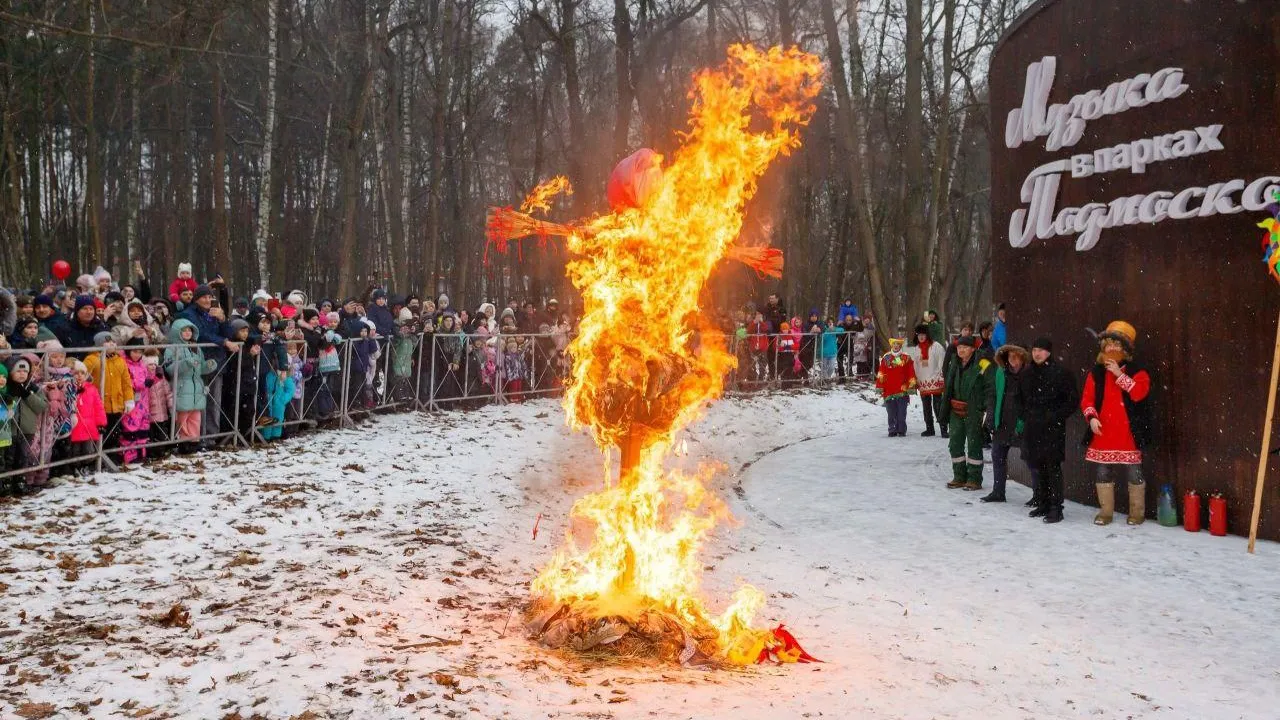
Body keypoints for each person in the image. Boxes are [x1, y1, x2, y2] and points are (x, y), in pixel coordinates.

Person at [1081, 321, 1152, 526]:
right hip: (1104, 432)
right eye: (1108, 345)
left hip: (1129, 432)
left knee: (1135, 473)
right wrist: (1092, 417)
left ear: (1126, 349)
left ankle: (1137, 513)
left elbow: (1139, 394)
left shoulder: (1138, 371)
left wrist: (1120, 375)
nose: (1111, 349)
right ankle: (1105, 513)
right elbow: (1087, 399)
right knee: (1103, 472)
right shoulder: (1096, 373)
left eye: (1117, 345)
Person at [1021, 337, 1078, 523]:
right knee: (1038, 466)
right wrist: (1026, 415)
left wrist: (1055, 417)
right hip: (1033, 428)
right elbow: (1018, 398)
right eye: (1035, 349)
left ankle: (1056, 507)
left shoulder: (1061, 374)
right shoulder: (1027, 373)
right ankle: (1043, 502)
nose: (1037, 353)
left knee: (1052, 467)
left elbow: (1072, 401)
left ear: (1049, 352)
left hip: (1052, 429)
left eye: (1041, 350)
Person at [981, 344, 1028, 503]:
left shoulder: (1028, 375)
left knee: (1032, 460)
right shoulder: (1001, 373)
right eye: (1010, 356)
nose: (1013, 359)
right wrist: (991, 417)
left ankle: (1039, 495)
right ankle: (998, 491)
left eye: (1016, 356)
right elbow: (993, 396)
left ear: (1023, 357)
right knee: (997, 456)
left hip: (1022, 422)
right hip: (1003, 421)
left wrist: (1023, 423)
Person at [942, 336, 989, 490]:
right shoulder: (954, 362)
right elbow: (948, 386)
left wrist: (983, 406)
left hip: (973, 409)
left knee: (974, 443)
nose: (961, 350)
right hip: (956, 408)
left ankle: (974, 478)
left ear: (973, 349)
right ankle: (959, 476)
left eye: (965, 347)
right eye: (959, 347)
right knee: (955, 442)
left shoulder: (983, 363)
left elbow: (989, 386)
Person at [164, 318, 214, 452]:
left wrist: (208, 366)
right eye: (184, 330)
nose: (187, 333)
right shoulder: (172, 349)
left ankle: (194, 441)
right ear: (177, 332)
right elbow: (169, 369)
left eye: (189, 330)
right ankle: (182, 442)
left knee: (195, 417)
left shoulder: (195, 348)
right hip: (181, 386)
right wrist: (186, 363)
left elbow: (200, 368)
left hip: (196, 387)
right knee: (182, 417)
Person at [905, 324, 945, 437]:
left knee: (938, 406)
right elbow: (915, 365)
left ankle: (943, 428)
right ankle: (929, 428)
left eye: (923, 335)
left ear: (927, 335)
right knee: (926, 407)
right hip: (923, 381)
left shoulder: (936, 346)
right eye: (919, 335)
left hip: (935, 379)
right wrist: (916, 379)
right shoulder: (917, 348)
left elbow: (941, 361)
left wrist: (940, 376)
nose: (921, 337)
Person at [876, 337, 916, 437]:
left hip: (902, 389)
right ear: (891, 345)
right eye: (894, 344)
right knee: (891, 412)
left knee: (902, 412)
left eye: (898, 344)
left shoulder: (906, 358)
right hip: (889, 390)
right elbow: (881, 372)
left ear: (900, 346)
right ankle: (892, 429)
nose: (896, 346)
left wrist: (911, 384)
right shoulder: (886, 358)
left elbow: (910, 372)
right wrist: (880, 386)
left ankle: (901, 429)